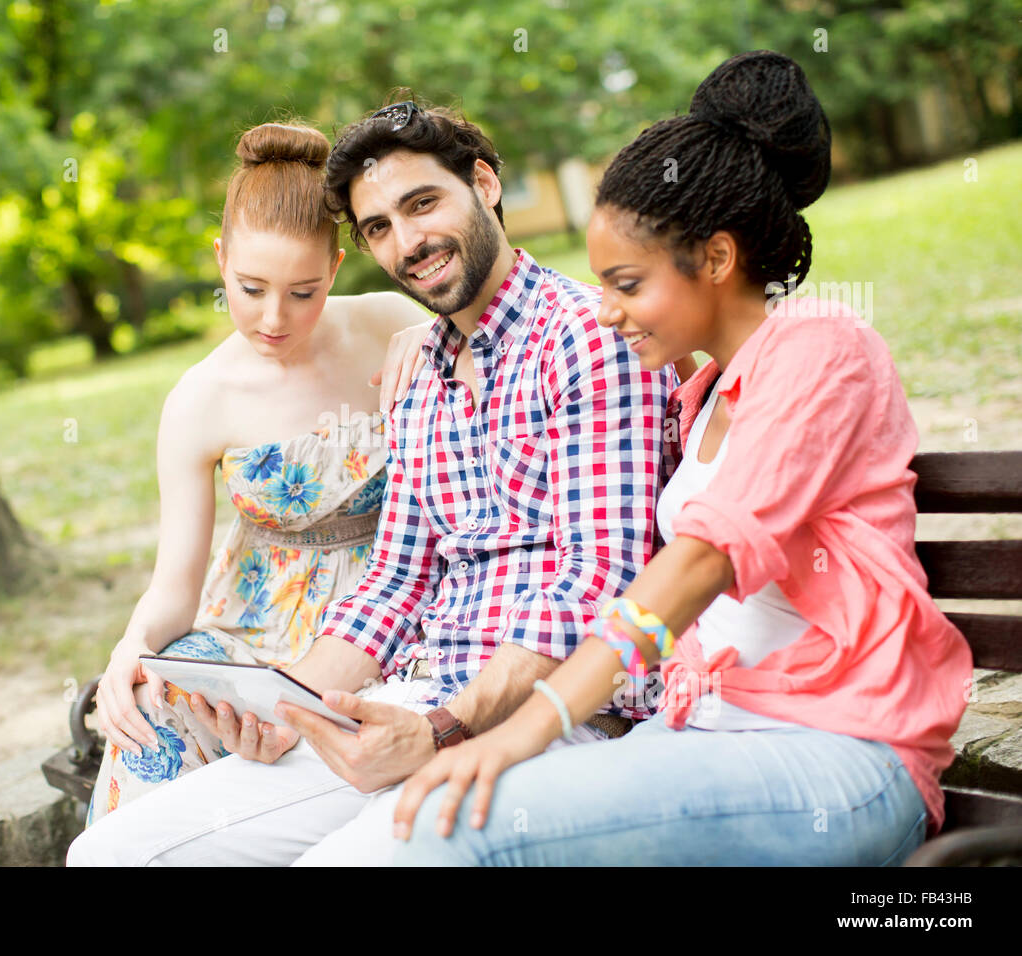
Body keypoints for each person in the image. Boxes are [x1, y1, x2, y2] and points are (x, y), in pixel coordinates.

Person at [391, 50, 974, 866]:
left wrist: (526, 728)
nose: (605, 313)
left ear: (718, 258)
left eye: (626, 284)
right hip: (703, 735)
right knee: (417, 827)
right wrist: (411, 336)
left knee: (458, 829)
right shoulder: (698, 392)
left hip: (838, 751)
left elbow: (704, 558)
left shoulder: (824, 348)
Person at [67, 98, 678, 865]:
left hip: (555, 716)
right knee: (112, 855)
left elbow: (602, 588)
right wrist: (295, 708)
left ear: (484, 183)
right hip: (408, 700)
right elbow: (394, 583)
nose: (409, 242)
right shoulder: (419, 372)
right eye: (381, 227)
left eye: (422, 204)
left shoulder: (587, 337)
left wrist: (441, 728)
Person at [83, 120, 432, 825]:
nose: (275, 318)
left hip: (398, 606)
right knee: (156, 705)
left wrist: (434, 337)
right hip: (258, 632)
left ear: (335, 270)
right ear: (220, 261)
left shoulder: (390, 321)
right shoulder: (199, 400)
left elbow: (481, 348)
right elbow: (174, 587)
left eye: (304, 292)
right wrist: (133, 644)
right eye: (251, 288)